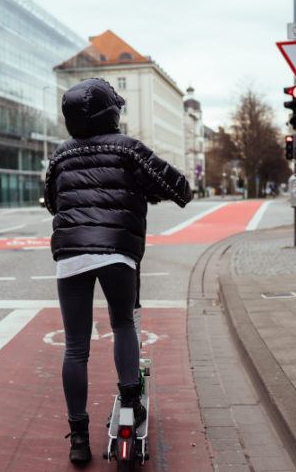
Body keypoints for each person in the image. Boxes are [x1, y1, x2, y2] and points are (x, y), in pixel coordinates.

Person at [44, 78, 192, 464]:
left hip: (71, 255)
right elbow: (179, 188)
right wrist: (143, 190)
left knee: (75, 347)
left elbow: (52, 202)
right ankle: (130, 402)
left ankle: (78, 437)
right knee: (122, 324)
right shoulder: (127, 149)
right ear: (111, 112)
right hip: (116, 253)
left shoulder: (59, 156)